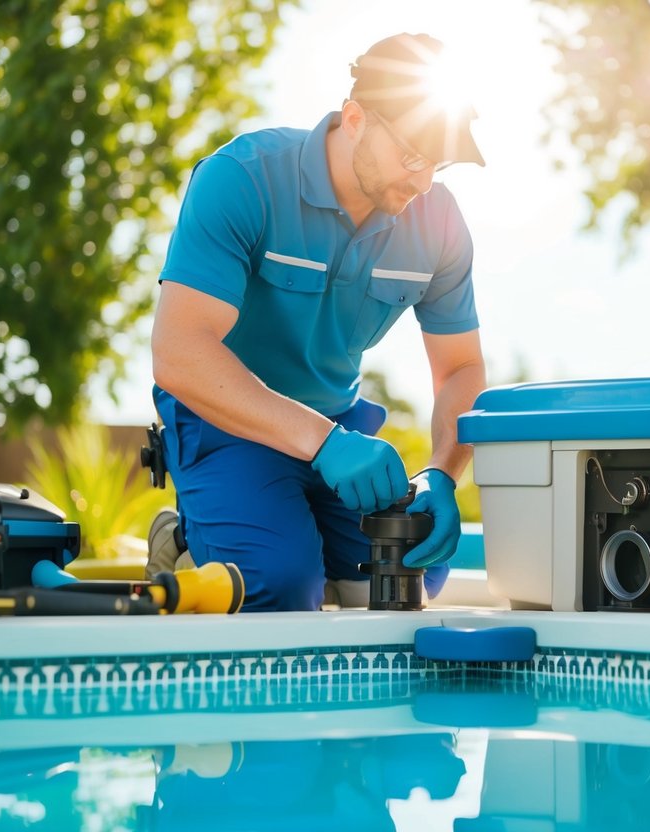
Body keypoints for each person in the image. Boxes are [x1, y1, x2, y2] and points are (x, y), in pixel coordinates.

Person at [148, 33, 487, 612]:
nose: (424, 180)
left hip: (339, 427)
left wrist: (442, 473)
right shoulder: (243, 180)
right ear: (355, 118)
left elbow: (461, 368)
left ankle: (302, 547)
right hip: (226, 423)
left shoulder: (439, 223)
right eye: (412, 155)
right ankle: (185, 540)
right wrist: (321, 442)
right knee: (277, 589)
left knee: (402, 580)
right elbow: (179, 352)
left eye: (438, 162)